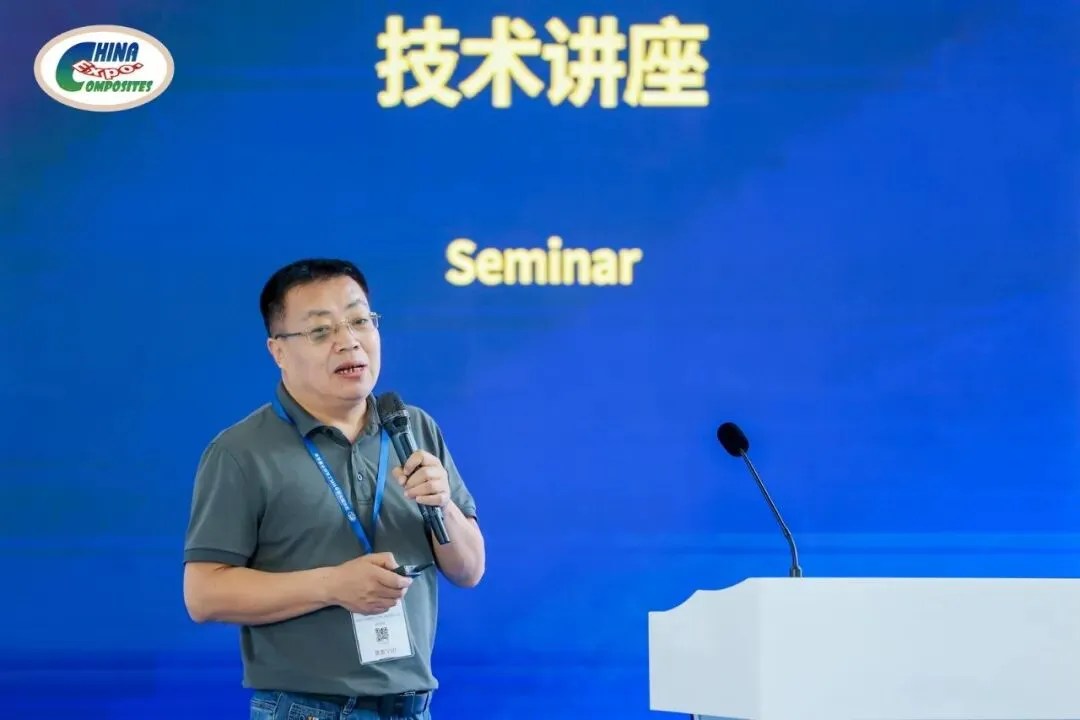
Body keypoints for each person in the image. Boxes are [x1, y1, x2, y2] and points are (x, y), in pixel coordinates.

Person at [183, 258, 485, 720]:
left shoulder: (412, 428)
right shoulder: (241, 451)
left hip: (412, 709)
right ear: (278, 351)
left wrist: (441, 505)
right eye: (321, 331)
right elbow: (204, 595)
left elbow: (470, 570)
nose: (349, 341)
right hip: (308, 709)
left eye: (360, 321)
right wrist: (333, 586)